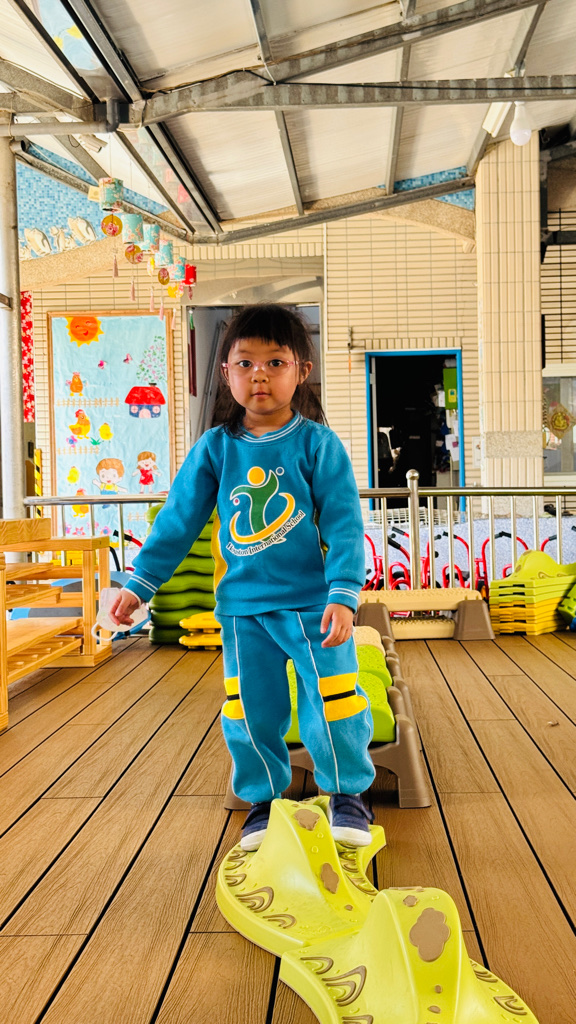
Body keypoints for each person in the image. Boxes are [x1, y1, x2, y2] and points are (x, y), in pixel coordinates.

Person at [110, 304, 375, 851]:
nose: (260, 374)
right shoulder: (215, 448)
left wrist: (345, 593)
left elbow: (346, 523)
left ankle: (347, 794)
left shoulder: (318, 445)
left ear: (301, 371)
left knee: (335, 700)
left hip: (314, 606)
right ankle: (263, 799)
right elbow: (178, 520)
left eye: (275, 362)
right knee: (249, 710)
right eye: (246, 362)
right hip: (242, 611)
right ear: (226, 372)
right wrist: (140, 584)